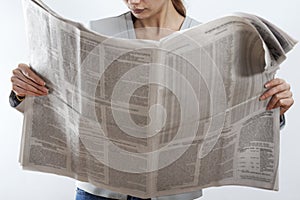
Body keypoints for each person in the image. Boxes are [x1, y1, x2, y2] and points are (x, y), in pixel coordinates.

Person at [10, 0, 294, 199]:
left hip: (175, 197)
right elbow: (59, 105)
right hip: (99, 195)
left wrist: (274, 108)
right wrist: (21, 92)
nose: (133, 0)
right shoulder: (92, 32)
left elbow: (236, 119)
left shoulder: (216, 41)